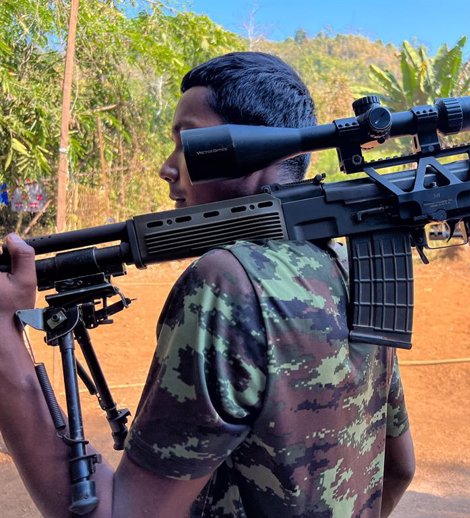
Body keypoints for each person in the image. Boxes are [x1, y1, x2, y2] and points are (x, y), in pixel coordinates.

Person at [0, 52, 415, 518]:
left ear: (251, 150)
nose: (167, 167)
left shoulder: (227, 283)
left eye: (188, 142)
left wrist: (3, 341)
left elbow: (116, 515)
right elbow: (398, 468)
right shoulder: (351, 266)